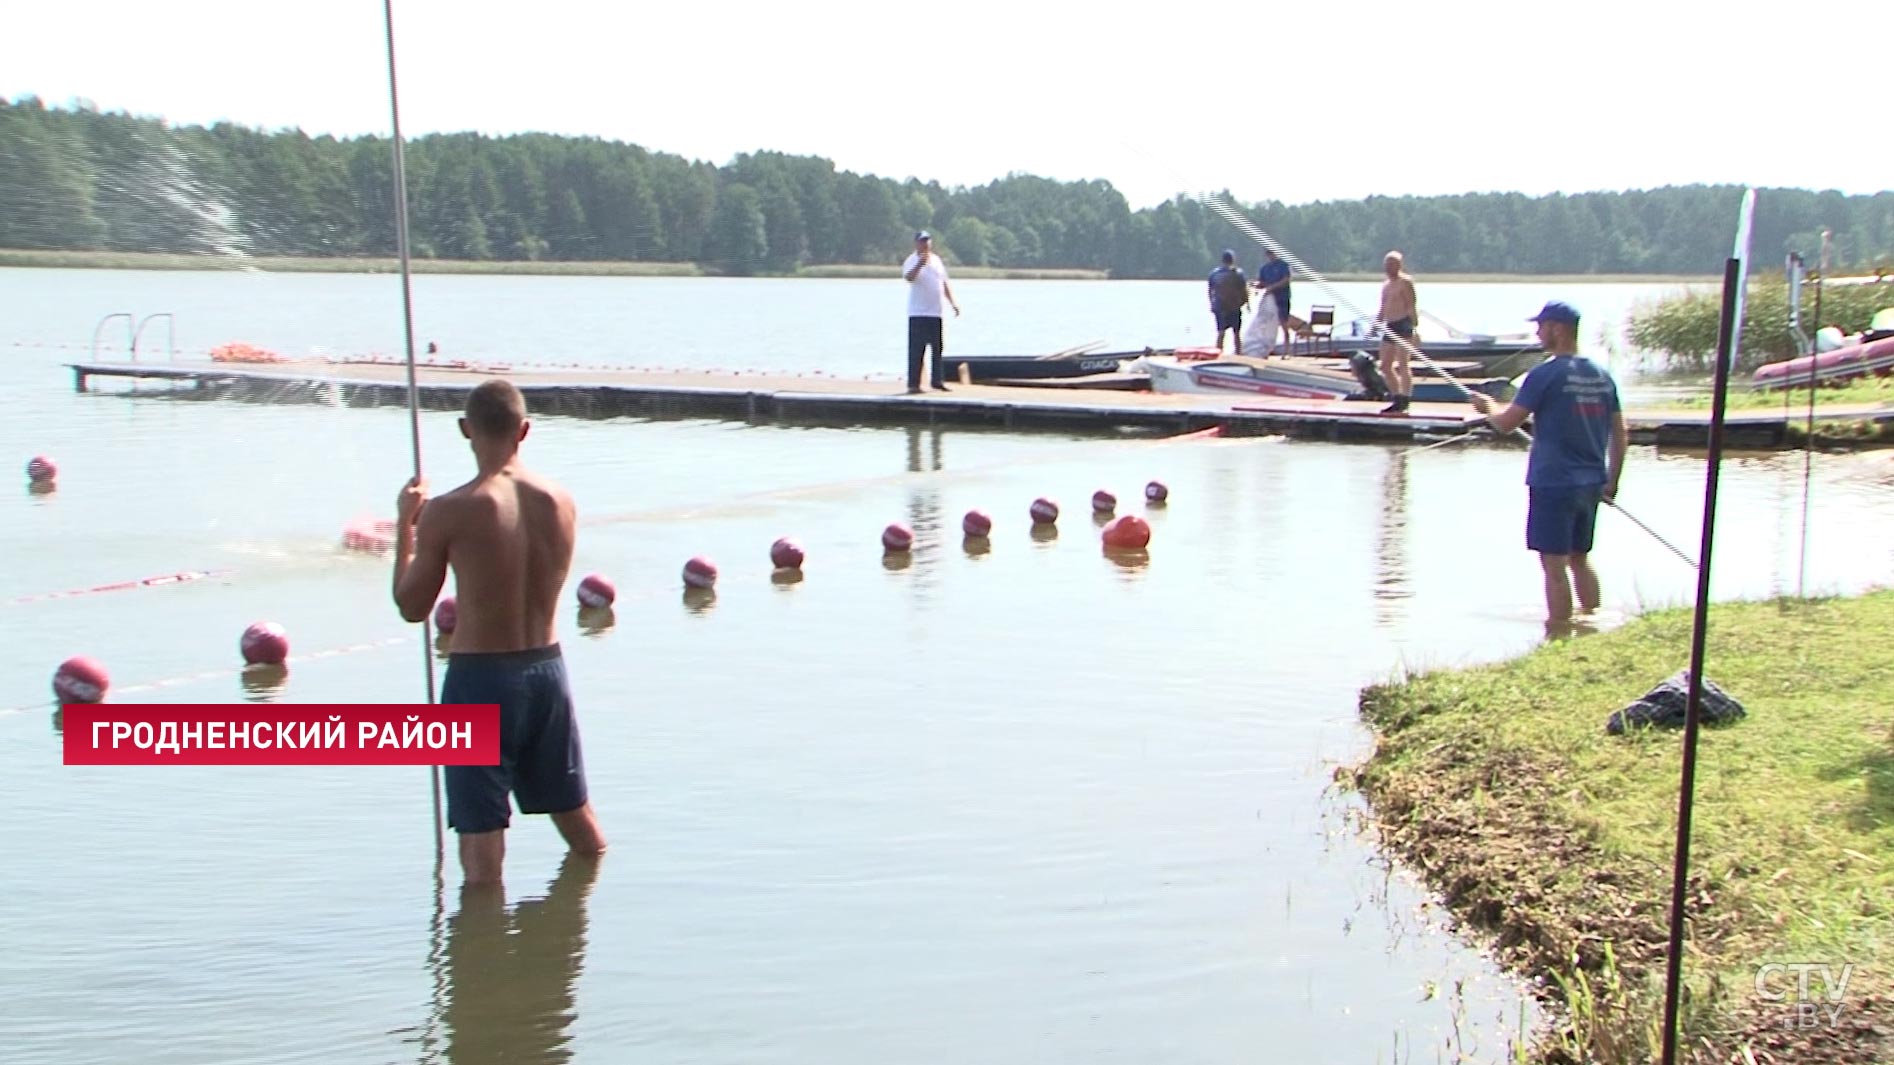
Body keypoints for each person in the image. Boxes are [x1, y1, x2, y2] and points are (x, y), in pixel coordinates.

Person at [392, 379, 607, 886]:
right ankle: (577, 927)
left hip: (481, 679)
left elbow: (411, 605)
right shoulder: (562, 501)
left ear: (466, 430)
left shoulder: (450, 509)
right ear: (524, 431)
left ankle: (486, 953)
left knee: (481, 850)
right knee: (578, 822)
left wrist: (406, 526)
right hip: (547, 673)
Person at [1468, 301, 1629, 629]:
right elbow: (1620, 433)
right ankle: (1592, 624)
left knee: (1553, 566)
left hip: (1554, 483)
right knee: (1579, 559)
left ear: (1558, 329)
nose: (1538, 333)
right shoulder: (1602, 376)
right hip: (1591, 483)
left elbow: (1507, 423)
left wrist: (1488, 407)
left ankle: (1559, 629)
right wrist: (1612, 482)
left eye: (1541, 326)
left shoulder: (1544, 374)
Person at [901, 231, 961, 393]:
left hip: (935, 313)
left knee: (937, 349)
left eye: (927, 241)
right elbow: (909, 278)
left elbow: (943, 283)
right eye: (922, 241)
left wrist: (953, 303)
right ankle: (913, 384)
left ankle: (937, 381)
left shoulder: (936, 260)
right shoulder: (911, 260)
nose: (925, 243)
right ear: (916, 243)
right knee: (916, 350)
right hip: (918, 313)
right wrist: (920, 264)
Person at [1376, 251, 1419, 412]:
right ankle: (1397, 397)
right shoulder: (1386, 285)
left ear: (1399, 266)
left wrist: (1414, 328)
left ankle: (1406, 396)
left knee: (1402, 363)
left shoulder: (1405, 282)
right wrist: (1376, 324)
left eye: (1392, 264)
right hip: (1390, 324)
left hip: (1403, 324)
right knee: (1385, 366)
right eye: (1387, 265)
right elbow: (1382, 307)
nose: (1389, 268)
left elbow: (1411, 305)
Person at [1207, 250, 1249, 355]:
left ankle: (1218, 353)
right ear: (1233, 260)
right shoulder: (1238, 273)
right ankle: (1238, 354)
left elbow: (1210, 291)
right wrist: (1247, 303)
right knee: (1236, 332)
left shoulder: (1214, 273)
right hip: (1234, 306)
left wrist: (1212, 304)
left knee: (1221, 332)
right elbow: (1244, 289)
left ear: (1222, 260)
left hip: (1219, 306)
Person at [1254, 248, 1293, 351]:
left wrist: (1272, 287)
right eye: (1269, 254)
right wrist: (1256, 285)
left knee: (1284, 323)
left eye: (1272, 253)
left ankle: (1286, 350)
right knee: (1265, 325)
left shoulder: (1283, 265)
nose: (1271, 256)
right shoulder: (1264, 268)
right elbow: (1262, 283)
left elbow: (1286, 280)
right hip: (1269, 301)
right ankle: (1264, 348)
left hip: (1282, 298)